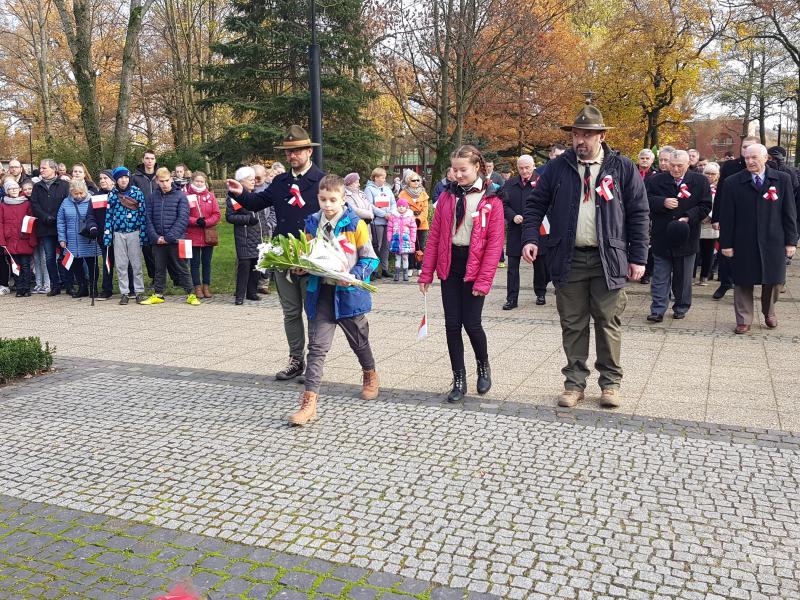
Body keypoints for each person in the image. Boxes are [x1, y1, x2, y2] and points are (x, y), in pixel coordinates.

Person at [521, 103, 649, 409]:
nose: (581, 139)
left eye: (588, 134)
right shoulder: (557, 168)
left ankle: (610, 384)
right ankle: (574, 383)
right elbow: (534, 204)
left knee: (608, 321)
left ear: (602, 136)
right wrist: (529, 237)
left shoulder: (622, 167)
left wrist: (639, 257)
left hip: (610, 258)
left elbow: (639, 213)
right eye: (577, 133)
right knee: (573, 323)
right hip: (568, 258)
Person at [226, 125, 324, 380]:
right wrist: (241, 193)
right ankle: (295, 360)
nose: (293, 156)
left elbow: (332, 218)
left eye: (298, 150)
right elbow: (258, 203)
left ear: (309, 152)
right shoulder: (280, 182)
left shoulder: (321, 181)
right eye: (289, 152)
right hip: (283, 255)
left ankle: (315, 363)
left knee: (313, 313)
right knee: (291, 312)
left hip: (312, 256)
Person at [286, 175, 379, 426]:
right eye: (323, 199)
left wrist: (354, 275)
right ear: (318, 197)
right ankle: (309, 403)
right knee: (316, 349)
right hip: (321, 294)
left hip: (348, 295)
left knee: (359, 342)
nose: (327, 205)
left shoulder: (355, 223)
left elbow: (371, 259)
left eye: (333, 200)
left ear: (342, 198)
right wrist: (300, 268)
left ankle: (370, 373)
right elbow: (307, 256)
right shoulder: (312, 223)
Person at [418, 145, 504, 402]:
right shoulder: (446, 196)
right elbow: (434, 237)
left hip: (475, 265)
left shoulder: (492, 199)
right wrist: (426, 274)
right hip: (450, 264)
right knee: (452, 324)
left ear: (477, 167)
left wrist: (484, 280)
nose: (457, 175)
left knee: (472, 323)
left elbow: (495, 244)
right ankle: (458, 378)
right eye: (454, 170)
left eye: (462, 170)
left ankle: (483, 365)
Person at [718, 144, 798, 333]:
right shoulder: (732, 182)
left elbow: (789, 213)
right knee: (743, 279)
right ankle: (744, 318)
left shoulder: (782, 179)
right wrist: (726, 243)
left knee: (774, 279)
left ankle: (769, 312)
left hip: (774, 239)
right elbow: (727, 216)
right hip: (743, 239)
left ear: (765, 158)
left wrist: (791, 241)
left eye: (754, 157)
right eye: (747, 158)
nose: (750, 161)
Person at [645, 150, 712, 322]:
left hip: (687, 236)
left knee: (683, 277)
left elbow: (705, 205)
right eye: (672, 165)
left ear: (688, 163)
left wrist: (689, 216)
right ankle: (657, 309)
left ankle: (681, 306)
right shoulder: (656, 180)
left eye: (679, 166)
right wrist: (662, 202)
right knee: (660, 276)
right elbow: (646, 200)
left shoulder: (700, 181)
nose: (675, 169)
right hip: (662, 235)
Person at [140, 168, 200, 306]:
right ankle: (158, 294)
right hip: (158, 241)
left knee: (182, 268)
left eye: (167, 180)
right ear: (157, 181)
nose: (165, 184)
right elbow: (147, 219)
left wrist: (169, 237)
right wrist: (156, 237)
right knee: (159, 269)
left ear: (171, 179)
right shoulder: (151, 197)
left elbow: (183, 219)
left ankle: (191, 294)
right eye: (161, 181)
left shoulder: (180, 196)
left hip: (175, 240)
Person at [712, 135, 760, 300]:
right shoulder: (730, 166)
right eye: (744, 147)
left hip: (754, 217)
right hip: (730, 214)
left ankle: (746, 286)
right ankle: (725, 283)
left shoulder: (763, 167)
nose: (746, 150)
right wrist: (716, 217)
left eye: (750, 147)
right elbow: (720, 193)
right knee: (726, 250)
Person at [501, 154, 546, 309]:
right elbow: (503, 204)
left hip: (536, 229)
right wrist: (513, 216)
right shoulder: (510, 184)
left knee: (539, 263)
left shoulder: (542, 182)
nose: (524, 171)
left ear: (533, 166)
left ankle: (540, 292)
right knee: (512, 266)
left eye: (527, 167)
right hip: (516, 229)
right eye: (521, 168)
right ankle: (511, 299)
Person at [101, 167, 147, 304]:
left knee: (136, 264)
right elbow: (108, 217)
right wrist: (108, 236)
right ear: (116, 179)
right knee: (121, 265)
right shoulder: (112, 195)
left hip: (134, 232)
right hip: (118, 233)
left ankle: (139, 291)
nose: (124, 180)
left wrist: (143, 233)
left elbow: (142, 214)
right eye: (121, 177)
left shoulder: (137, 193)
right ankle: (124, 293)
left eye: (126, 177)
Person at [30, 158, 71, 295]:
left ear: (53, 169)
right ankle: (55, 285)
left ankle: (69, 283)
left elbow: (67, 203)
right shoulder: (37, 186)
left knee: (66, 255)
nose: (40, 170)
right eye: (40, 168)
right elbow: (35, 205)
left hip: (62, 226)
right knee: (49, 257)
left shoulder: (64, 185)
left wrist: (57, 217)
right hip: (45, 227)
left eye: (44, 168)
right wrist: (45, 217)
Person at [227, 166, 266, 305]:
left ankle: (251, 292)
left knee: (256, 264)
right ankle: (239, 295)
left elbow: (262, 215)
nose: (253, 181)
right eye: (250, 179)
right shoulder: (234, 197)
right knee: (244, 265)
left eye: (254, 179)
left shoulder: (256, 195)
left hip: (258, 235)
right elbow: (230, 217)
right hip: (244, 236)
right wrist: (247, 219)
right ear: (241, 182)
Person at [57, 179, 102, 298]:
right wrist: (62, 238)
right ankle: (82, 287)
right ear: (71, 192)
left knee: (92, 264)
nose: (79, 196)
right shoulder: (65, 202)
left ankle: (93, 287)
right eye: (76, 193)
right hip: (72, 239)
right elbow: (61, 221)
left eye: (81, 193)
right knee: (76, 265)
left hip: (88, 238)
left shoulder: (92, 201)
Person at [185, 171, 220, 299]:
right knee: (194, 262)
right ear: (192, 181)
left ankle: (206, 285)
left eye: (201, 181)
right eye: (197, 181)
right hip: (192, 234)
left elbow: (216, 214)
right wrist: (195, 221)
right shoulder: (186, 195)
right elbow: (183, 215)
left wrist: (206, 222)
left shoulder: (210, 196)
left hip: (208, 234)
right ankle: (197, 286)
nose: (199, 183)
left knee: (207, 262)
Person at [0, 177, 37, 296]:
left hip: (24, 239)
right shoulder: (3, 205)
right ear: (7, 191)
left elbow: (32, 221)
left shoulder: (26, 203)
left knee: (26, 265)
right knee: (15, 265)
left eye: (15, 188)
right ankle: (19, 287)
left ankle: (26, 288)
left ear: (19, 188)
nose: (14, 190)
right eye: (10, 189)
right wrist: (2, 240)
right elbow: (1, 223)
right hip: (10, 239)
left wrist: (32, 239)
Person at [364, 167, 395, 278]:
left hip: (388, 221)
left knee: (386, 246)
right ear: (375, 177)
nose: (384, 180)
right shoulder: (369, 189)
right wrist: (383, 214)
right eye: (382, 177)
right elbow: (370, 205)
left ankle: (385, 269)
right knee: (377, 246)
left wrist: (391, 213)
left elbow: (393, 203)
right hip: (377, 221)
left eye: (384, 177)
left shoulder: (387, 189)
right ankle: (374, 270)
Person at [398, 170, 429, 276]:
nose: (416, 182)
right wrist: (411, 220)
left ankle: (420, 267)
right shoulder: (403, 194)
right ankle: (410, 267)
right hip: (408, 223)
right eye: (413, 180)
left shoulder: (423, 194)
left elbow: (425, 211)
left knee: (421, 246)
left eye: (418, 180)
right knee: (410, 246)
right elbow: (401, 209)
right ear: (408, 182)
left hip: (422, 224)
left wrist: (419, 219)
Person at [696, 162, 720, 285]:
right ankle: (691, 275)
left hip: (711, 223)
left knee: (708, 251)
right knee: (695, 251)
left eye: (713, 174)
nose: (709, 176)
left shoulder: (720, 188)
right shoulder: (698, 185)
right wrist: (700, 215)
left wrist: (710, 216)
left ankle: (705, 276)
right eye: (707, 173)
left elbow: (720, 205)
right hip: (697, 221)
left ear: (717, 175)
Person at [387, 198, 417, 281]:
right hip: (396, 240)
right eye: (399, 206)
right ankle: (396, 274)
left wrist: (412, 239)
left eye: (403, 206)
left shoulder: (410, 217)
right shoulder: (393, 217)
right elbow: (389, 228)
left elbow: (413, 228)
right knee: (397, 257)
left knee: (405, 257)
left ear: (407, 207)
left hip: (406, 241)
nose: (401, 208)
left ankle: (405, 273)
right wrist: (389, 238)